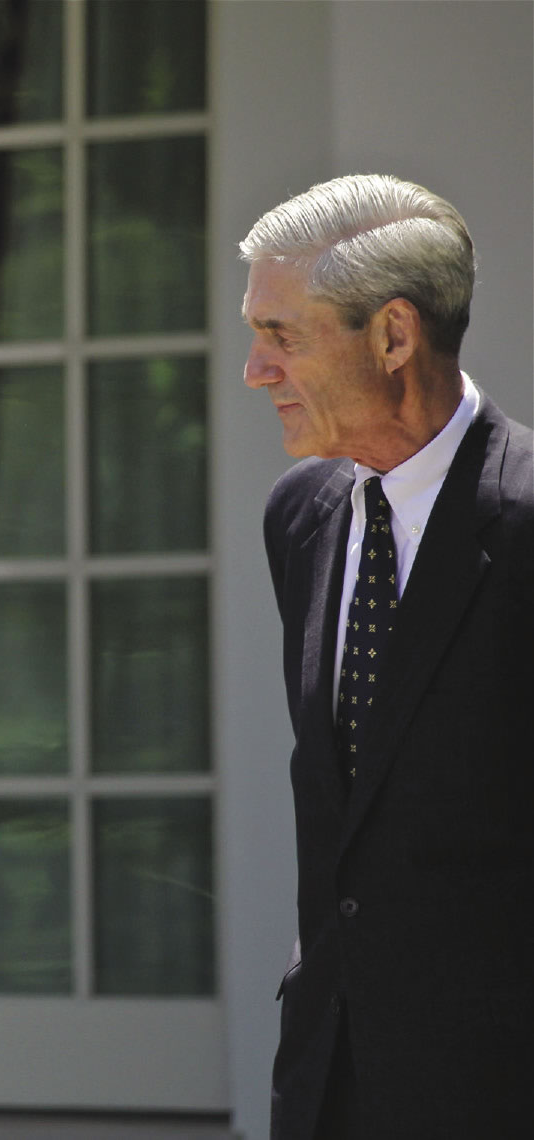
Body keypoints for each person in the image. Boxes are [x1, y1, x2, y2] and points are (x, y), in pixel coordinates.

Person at [242, 174, 533, 1139]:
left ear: (394, 337)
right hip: (326, 1075)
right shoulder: (301, 516)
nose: (255, 370)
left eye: (282, 336)